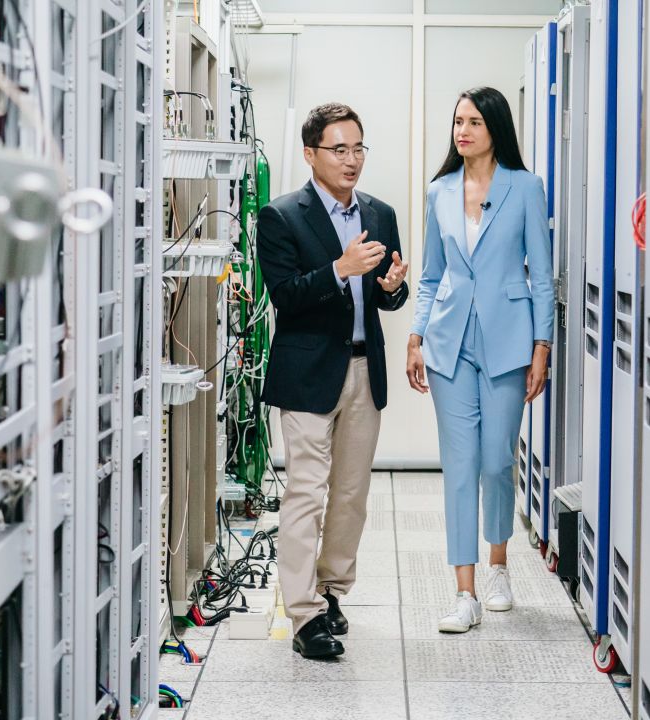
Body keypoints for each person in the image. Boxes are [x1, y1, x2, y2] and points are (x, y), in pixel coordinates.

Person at [257, 102, 410, 658]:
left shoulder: (380, 213)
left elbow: (388, 298)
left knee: (350, 495)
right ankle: (301, 615)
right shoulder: (281, 216)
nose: (352, 160)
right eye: (339, 149)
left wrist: (391, 285)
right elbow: (286, 298)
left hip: (365, 369)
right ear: (310, 154)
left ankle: (330, 591)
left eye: (359, 148)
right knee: (305, 492)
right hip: (307, 373)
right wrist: (339, 270)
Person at [406, 86, 554, 633]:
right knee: (460, 466)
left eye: (472, 121)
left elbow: (541, 274)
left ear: (495, 128)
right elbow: (429, 275)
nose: (461, 130)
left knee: (496, 461)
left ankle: (499, 566)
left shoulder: (525, 188)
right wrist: (416, 335)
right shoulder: (440, 192)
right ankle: (464, 591)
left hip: (511, 341)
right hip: (449, 342)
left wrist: (543, 346)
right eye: (457, 121)